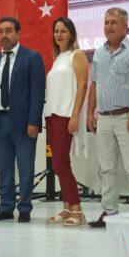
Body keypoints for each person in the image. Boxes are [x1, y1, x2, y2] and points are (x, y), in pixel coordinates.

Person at [86, 7, 129, 228]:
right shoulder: (99, 52)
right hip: (104, 118)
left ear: (125, 25)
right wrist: (90, 112)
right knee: (106, 168)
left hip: (127, 117)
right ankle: (110, 212)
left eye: (114, 22)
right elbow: (94, 84)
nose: (109, 26)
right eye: (106, 22)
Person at [0, 17, 46, 223]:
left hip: (24, 122)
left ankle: (25, 208)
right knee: (4, 167)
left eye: (9, 30)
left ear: (17, 33)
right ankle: (5, 207)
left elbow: (37, 92)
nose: (4, 35)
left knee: (25, 167)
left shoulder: (32, 58)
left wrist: (34, 121)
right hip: (0, 120)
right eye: (1, 31)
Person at [43, 17, 89, 227]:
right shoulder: (58, 58)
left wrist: (75, 115)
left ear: (71, 33)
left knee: (60, 163)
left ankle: (78, 211)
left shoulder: (76, 55)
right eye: (56, 31)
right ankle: (67, 207)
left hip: (65, 115)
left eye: (63, 31)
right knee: (58, 163)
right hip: (52, 115)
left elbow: (82, 86)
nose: (58, 35)